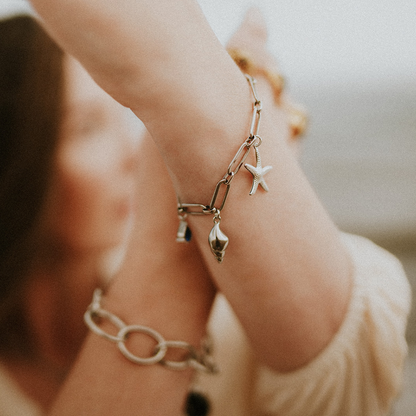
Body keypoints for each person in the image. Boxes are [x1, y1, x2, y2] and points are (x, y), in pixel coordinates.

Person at [0, 1, 411, 415]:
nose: (132, 156)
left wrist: (208, 128)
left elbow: (353, 380)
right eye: (87, 128)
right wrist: (180, 219)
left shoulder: (237, 325)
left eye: (119, 121)